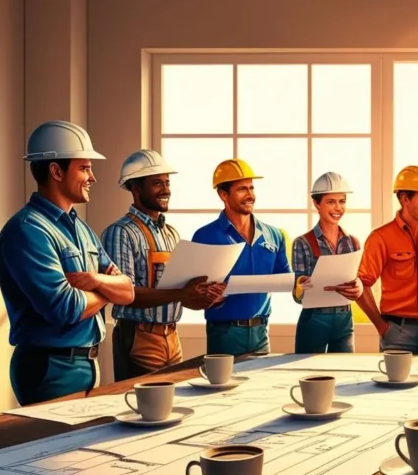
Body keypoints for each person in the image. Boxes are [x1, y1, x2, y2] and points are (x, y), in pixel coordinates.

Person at [0, 121, 135, 405]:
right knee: (55, 449)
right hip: (50, 369)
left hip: (85, 365)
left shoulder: (81, 229)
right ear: (56, 171)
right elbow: (65, 308)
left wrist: (94, 281)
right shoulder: (27, 231)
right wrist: (108, 288)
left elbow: (129, 291)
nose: (93, 177)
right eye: (84, 168)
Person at [101, 150, 224, 381]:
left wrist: (205, 298)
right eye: (157, 183)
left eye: (167, 182)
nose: (166, 190)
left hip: (172, 336)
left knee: (173, 403)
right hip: (139, 338)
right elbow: (125, 295)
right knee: (140, 409)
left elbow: (178, 296)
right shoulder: (121, 232)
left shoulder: (170, 234)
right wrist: (183, 292)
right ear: (135, 188)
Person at [192, 158, 291, 356]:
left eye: (251, 188)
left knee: (262, 387)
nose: (250, 195)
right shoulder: (204, 236)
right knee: (223, 387)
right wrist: (212, 297)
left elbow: (285, 279)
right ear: (223, 194)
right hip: (224, 333)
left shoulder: (274, 234)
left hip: (261, 332)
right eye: (242, 189)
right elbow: (193, 292)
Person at [357, 165, 418, 353]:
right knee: (394, 382)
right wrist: (382, 327)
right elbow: (362, 284)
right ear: (404, 198)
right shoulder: (380, 238)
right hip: (395, 333)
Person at [292, 172, 364, 353]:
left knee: (344, 373)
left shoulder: (353, 243)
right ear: (316, 203)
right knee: (309, 374)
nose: (338, 207)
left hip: (344, 318)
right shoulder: (302, 243)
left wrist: (359, 287)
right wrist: (300, 286)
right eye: (331, 202)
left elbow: (359, 283)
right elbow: (297, 296)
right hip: (314, 319)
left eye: (342, 201)